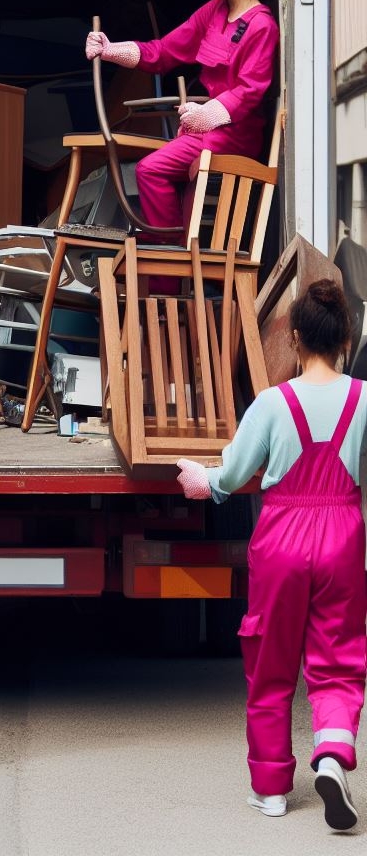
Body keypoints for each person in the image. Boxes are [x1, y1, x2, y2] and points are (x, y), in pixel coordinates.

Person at [177, 280, 367, 831]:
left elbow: (235, 473)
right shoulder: (364, 399)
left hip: (283, 536)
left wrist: (203, 480)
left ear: (296, 337)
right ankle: (331, 756)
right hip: (343, 534)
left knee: (270, 662)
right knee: (338, 660)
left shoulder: (272, 403)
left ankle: (272, 790)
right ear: (346, 339)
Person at [85, 0, 280, 243]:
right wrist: (110, 50)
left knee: (169, 174)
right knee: (150, 170)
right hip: (206, 133)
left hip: (237, 135)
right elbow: (164, 51)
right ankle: (171, 248)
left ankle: (175, 252)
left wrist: (207, 115)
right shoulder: (213, 10)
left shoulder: (263, 25)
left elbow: (250, 90)